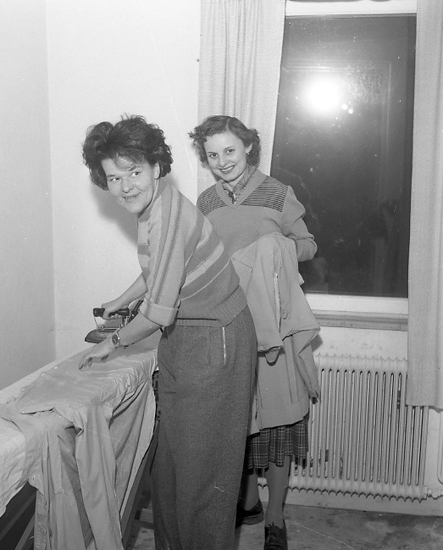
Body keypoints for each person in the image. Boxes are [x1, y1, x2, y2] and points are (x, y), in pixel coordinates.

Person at [79, 115, 257, 550]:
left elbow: (158, 314)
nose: (125, 187)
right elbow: (158, 271)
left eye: (134, 173)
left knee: (202, 479)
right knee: (171, 469)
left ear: (156, 167)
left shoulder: (168, 215)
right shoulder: (151, 207)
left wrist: (112, 343)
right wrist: (121, 300)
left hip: (216, 338)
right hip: (186, 337)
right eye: (114, 178)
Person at [190, 115, 318, 550]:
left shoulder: (277, 192)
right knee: (238, 420)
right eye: (212, 154)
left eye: (230, 150)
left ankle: (275, 519)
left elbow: (308, 244)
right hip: (229, 322)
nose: (222, 161)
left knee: (279, 421)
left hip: (275, 326)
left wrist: (275, 249)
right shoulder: (206, 201)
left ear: (247, 147)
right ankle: (248, 503)